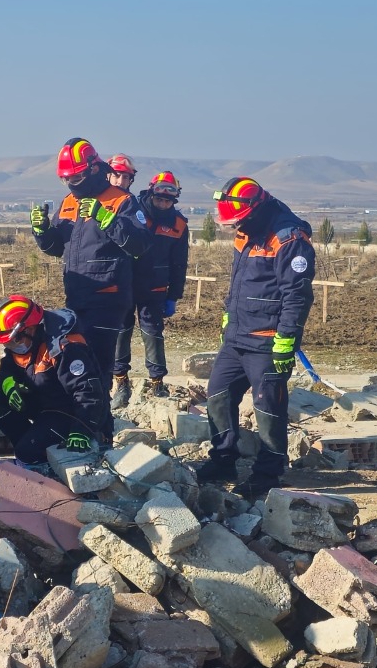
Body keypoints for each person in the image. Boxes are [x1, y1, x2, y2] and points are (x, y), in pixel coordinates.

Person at [196, 177, 316, 499]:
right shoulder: (246, 229)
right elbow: (240, 282)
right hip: (237, 336)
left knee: (268, 407)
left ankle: (269, 472)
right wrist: (227, 317)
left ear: (254, 209)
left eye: (237, 220)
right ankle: (223, 460)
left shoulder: (288, 238)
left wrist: (286, 341)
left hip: (268, 339)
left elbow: (297, 297)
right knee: (218, 394)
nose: (233, 226)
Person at [30, 138, 150, 405]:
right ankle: (81, 420)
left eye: (77, 176)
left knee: (97, 364)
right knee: (76, 361)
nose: (72, 183)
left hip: (108, 295)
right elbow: (58, 248)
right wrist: (42, 232)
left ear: (94, 169)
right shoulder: (69, 202)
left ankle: (100, 429)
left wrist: (108, 220)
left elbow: (141, 245)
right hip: (76, 295)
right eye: (66, 179)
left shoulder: (122, 201)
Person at [0, 295, 111, 465]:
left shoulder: (65, 346)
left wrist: (82, 430)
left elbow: (88, 392)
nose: (12, 346)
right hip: (45, 406)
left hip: (70, 413)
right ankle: (29, 446)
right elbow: (7, 369)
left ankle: (35, 453)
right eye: (8, 344)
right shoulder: (23, 345)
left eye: (14, 340)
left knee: (27, 452)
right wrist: (9, 385)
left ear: (30, 328)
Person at [111, 171, 190, 408]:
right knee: (121, 332)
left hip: (155, 288)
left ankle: (157, 383)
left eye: (168, 200)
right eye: (159, 199)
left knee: (153, 334)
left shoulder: (178, 224)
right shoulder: (134, 211)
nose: (163, 203)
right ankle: (121, 382)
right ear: (151, 192)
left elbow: (180, 263)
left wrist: (174, 296)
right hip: (125, 283)